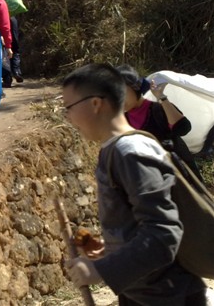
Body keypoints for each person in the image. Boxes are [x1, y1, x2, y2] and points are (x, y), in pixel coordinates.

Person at [62, 63, 208, 305]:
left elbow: (163, 233)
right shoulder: (113, 150)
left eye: (69, 107)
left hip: (168, 296)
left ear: (95, 104)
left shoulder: (130, 152)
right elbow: (140, 225)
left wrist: (102, 270)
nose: (68, 117)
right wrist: (112, 250)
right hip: (143, 293)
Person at [116, 64, 204, 182]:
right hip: (154, 182)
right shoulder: (123, 121)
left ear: (135, 87)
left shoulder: (157, 109)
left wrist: (161, 97)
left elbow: (183, 128)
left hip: (182, 179)